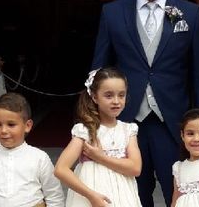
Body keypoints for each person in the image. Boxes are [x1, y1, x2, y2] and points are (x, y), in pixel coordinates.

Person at [92, 0, 199, 207]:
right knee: (131, 193)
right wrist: (96, 119)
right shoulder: (112, 13)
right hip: (124, 121)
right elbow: (99, 70)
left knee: (179, 191)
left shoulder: (189, 14)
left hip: (173, 121)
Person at [54, 67, 142, 207]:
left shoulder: (128, 130)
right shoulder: (85, 131)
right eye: (108, 95)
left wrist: (100, 157)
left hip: (122, 195)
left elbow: (135, 168)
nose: (116, 101)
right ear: (95, 97)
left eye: (121, 95)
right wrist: (91, 196)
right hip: (91, 196)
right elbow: (61, 169)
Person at [0, 92, 65, 207]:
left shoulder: (39, 158)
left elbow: (54, 196)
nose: (4, 130)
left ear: (27, 126)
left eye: (11, 124)